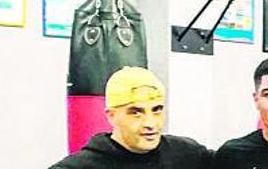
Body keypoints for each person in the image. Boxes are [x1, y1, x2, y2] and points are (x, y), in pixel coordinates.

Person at [49, 67, 213, 168]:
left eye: (156, 110)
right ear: (111, 116)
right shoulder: (79, 167)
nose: (150, 123)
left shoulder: (186, 154)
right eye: (136, 112)